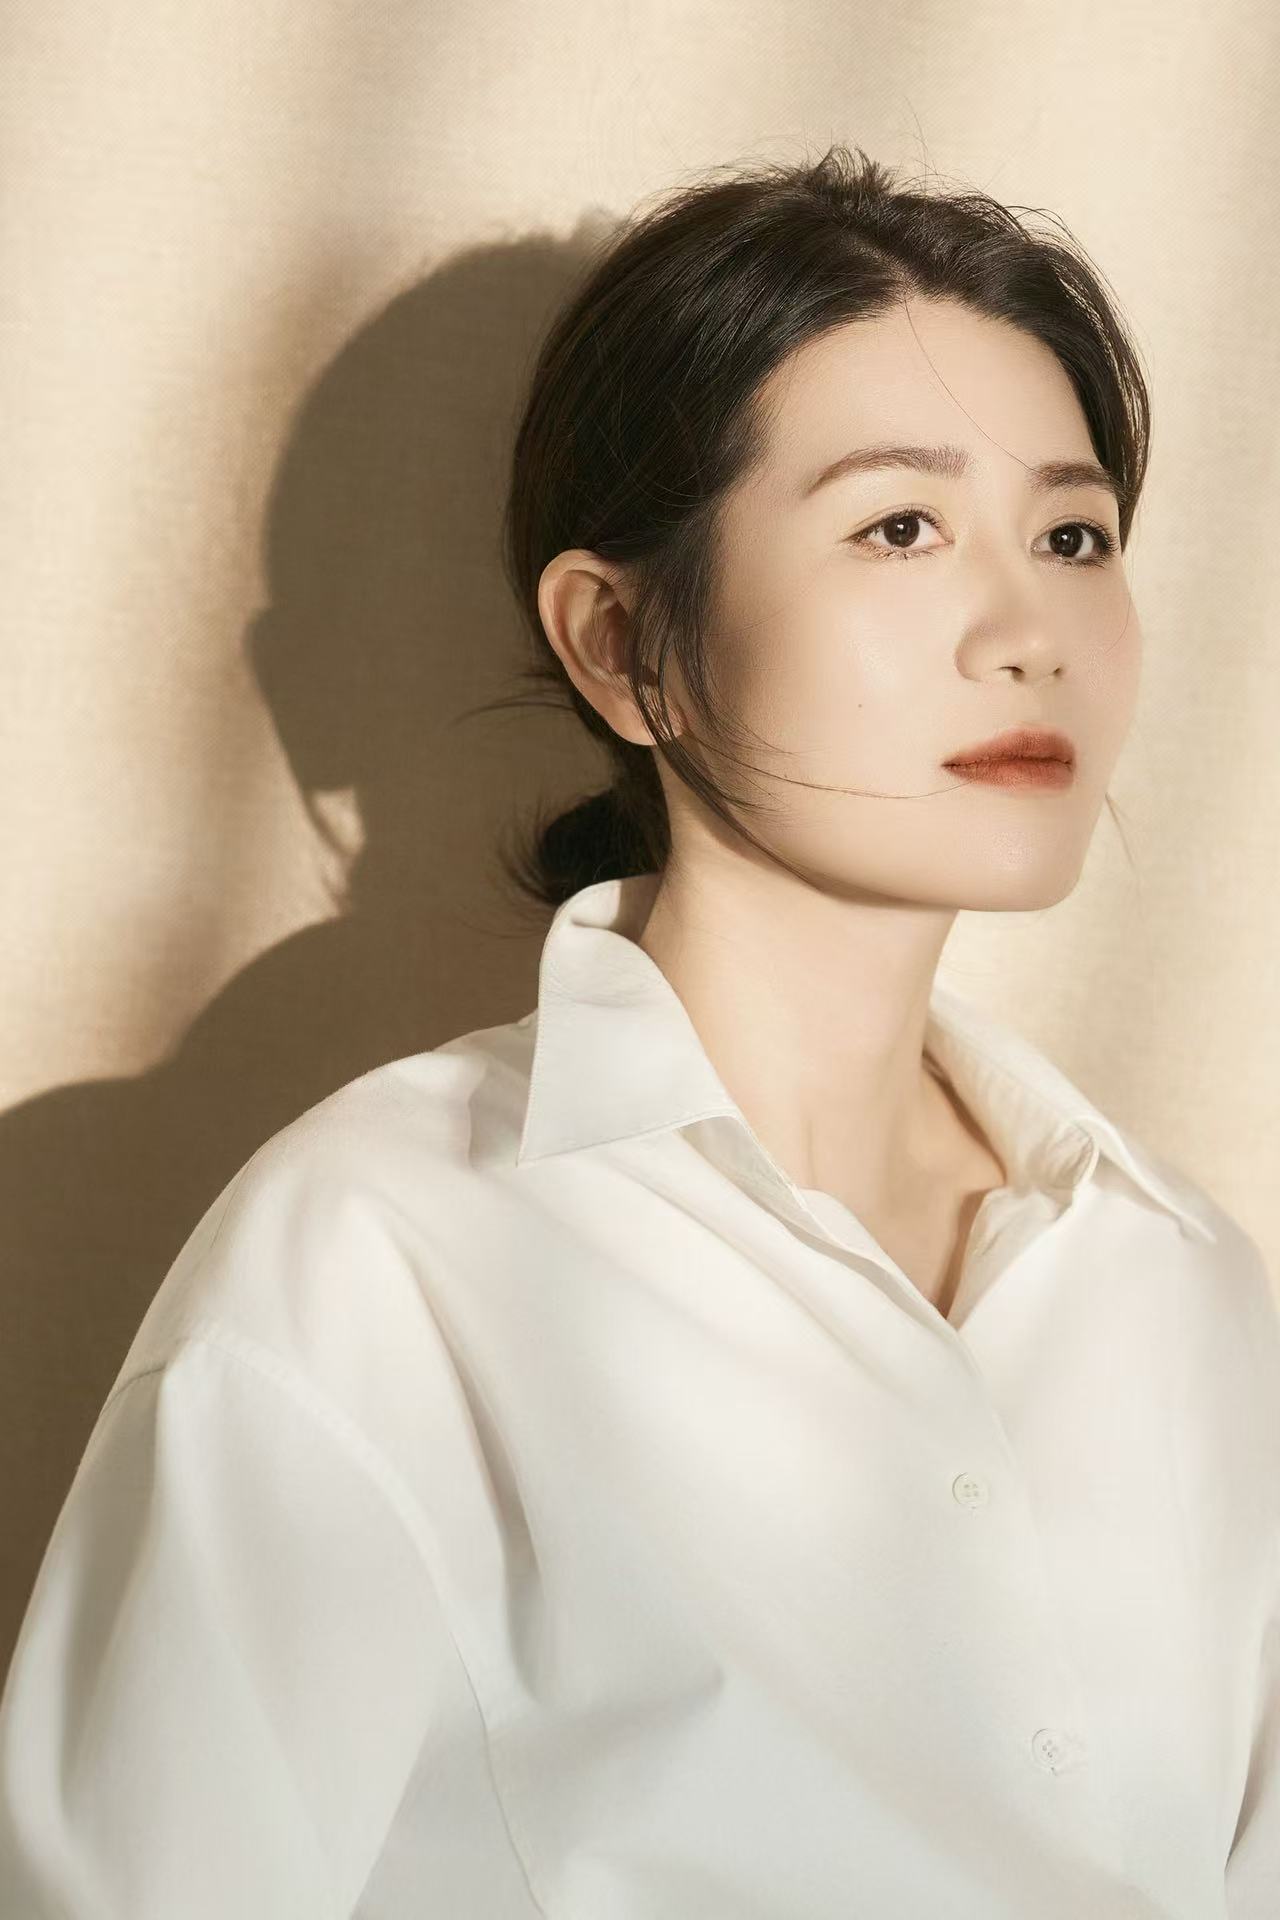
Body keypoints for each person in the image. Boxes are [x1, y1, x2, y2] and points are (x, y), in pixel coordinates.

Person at [1, 142, 1276, 1918]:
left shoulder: (1181, 1288)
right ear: (623, 646)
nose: (1029, 631)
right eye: (899, 528)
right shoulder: (381, 1261)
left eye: (1074, 536)